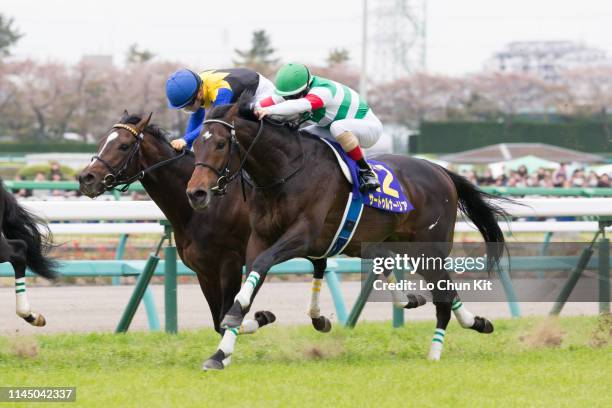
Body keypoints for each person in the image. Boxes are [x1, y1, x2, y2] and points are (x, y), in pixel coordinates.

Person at [254, 63, 381, 193]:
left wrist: (268, 110)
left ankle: (366, 172)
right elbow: (263, 103)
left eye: (292, 96)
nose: (288, 99)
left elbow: (299, 105)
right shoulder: (297, 91)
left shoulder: (323, 91)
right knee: (302, 135)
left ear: (306, 87)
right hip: (333, 127)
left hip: (369, 129)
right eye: (287, 97)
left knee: (338, 127)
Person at [166, 68, 275, 150]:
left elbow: (214, 124)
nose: (187, 109)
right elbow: (196, 118)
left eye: (188, 105)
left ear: (199, 94)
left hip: (260, 93)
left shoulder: (221, 92)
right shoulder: (196, 87)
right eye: (183, 107)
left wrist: (185, 140)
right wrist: (187, 145)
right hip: (242, 95)